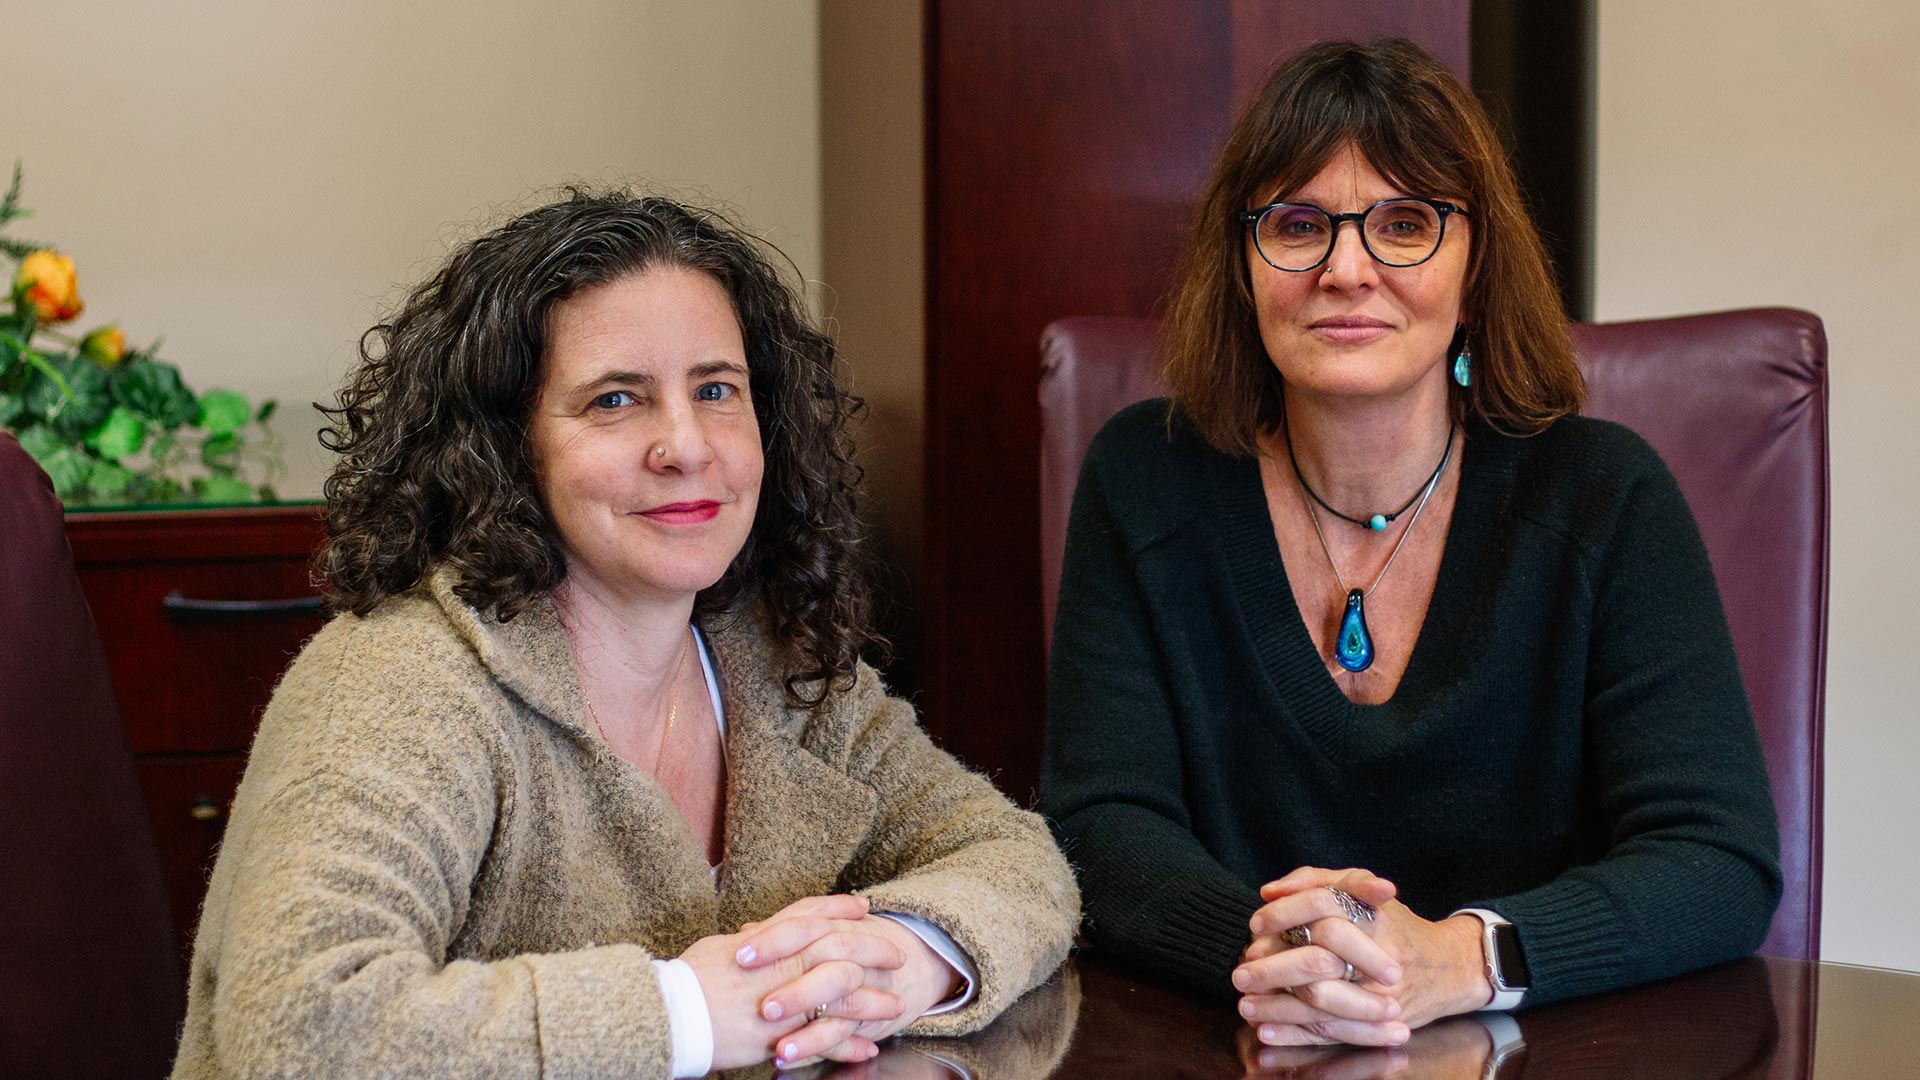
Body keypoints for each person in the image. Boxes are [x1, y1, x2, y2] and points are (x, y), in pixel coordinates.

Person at [171, 191, 1078, 1078]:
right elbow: (298, 1027)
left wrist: (906, 956)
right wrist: (685, 1011)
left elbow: (1013, 856)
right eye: (615, 400)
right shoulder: (399, 680)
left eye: (717, 389)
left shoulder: (776, 660)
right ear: (504, 447)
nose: (685, 445)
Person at [1041, 38, 1780, 1050]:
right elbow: (1099, 824)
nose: (1347, 269)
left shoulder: (1607, 496)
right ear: (1242, 266)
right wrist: (1270, 958)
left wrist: (1461, 960)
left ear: (1475, 269)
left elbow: (1716, 858)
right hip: (1237, 1044)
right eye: (1298, 224)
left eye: (1405, 223)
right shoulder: (1144, 477)